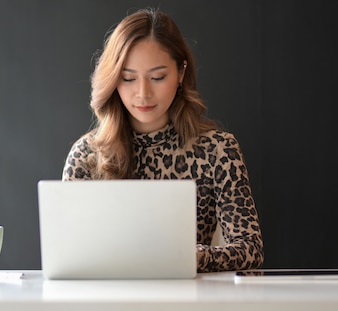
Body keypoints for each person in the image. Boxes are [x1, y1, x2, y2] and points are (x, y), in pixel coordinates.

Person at [61, 8, 264, 273]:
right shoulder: (86, 155)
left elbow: (250, 249)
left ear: (181, 72)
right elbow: (66, 255)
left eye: (157, 77)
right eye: (128, 78)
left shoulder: (217, 150)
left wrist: (189, 257)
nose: (143, 93)